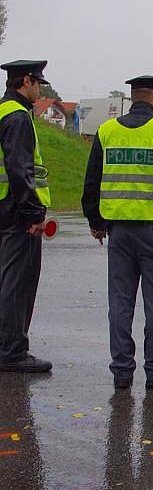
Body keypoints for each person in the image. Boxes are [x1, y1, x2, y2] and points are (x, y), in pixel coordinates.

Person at [82, 75, 153, 389]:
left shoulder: (106, 132)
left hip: (118, 234)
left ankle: (122, 372)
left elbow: (91, 183)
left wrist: (96, 222)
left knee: (120, 304)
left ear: (133, 97)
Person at [0, 59, 52, 373]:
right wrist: (33, 212)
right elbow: (20, 169)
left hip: (3, 207)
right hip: (16, 212)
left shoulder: (2, 110)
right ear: (27, 81)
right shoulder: (18, 117)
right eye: (38, 84)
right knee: (17, 282)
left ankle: (6, 345)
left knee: (6, 278)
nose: (39, 90)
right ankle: (13, 350)